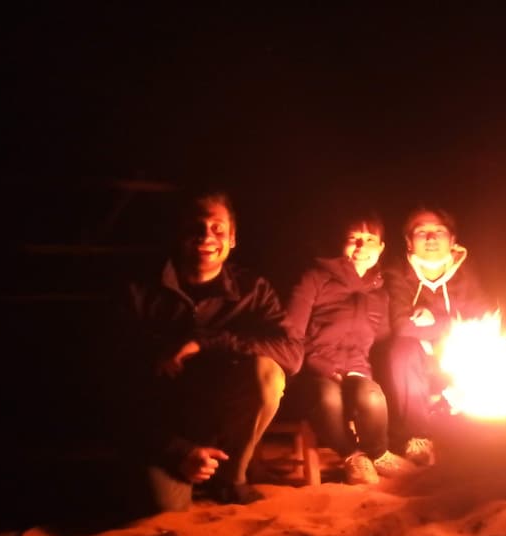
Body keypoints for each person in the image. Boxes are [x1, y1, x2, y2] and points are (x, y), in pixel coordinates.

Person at [123, 190, 296, 510]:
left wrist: (208, 340)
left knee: (269, 372)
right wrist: (178, 451)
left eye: (218, 228)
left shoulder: (252, 290)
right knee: (164, 507)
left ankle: (231, 477)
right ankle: (189, 468)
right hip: (167, 428)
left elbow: (292, 353)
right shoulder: (141, 294)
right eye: (196, 228)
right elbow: (116, 384)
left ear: (232, 239)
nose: (207, 237)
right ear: (180, 235)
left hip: (223, 420)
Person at [282, 214, 413, 484]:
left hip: (356, 369)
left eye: (370, 239)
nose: (362, 246)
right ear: (342, 243)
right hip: (314, 370)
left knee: (372, 395)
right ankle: (352, 455)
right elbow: (292, 331)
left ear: (381, 248)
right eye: (354, 239)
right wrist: (319, 365)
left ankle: (378, 453)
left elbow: (382, 338)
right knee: (328, 397)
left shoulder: (380, 292)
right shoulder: (315, 279)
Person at [377, 207, 494, 464]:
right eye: (421, 232)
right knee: (402, 350)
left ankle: (479, 432)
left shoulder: (466, 271)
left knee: (486, 348)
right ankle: (418, 437)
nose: (431, 238)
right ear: (409, 241)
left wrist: (441, 323)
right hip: (418, 356)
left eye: (439, 231)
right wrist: (453, 324)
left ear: (452, 240)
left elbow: (483, 317)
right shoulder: (397, 272)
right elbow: (401, 326)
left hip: (457, 349)